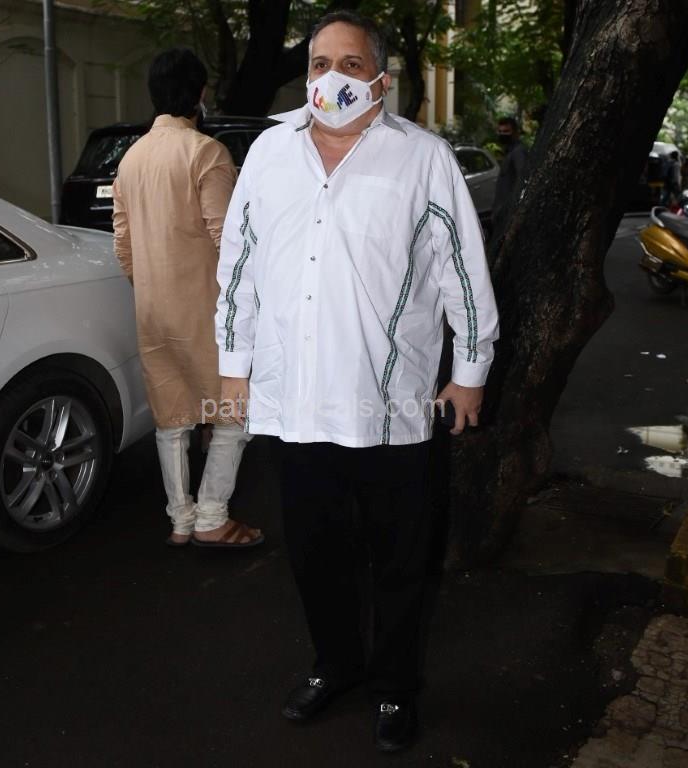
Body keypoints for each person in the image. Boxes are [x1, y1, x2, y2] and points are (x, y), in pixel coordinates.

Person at [215, 12, 498, 752]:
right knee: (315, 555)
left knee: (399, 561)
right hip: (295, 402)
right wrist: (234, 368)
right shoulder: (269, 153)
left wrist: (469, 374)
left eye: (349, 64)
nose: (331, 78)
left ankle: (395, 686)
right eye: (319, 63)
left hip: (389, 404)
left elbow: (461, 270)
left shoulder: (421, 158)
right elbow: (238, 267)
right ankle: (335, 664)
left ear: (380, 79)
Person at [113, 48, 263, 549]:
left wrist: (152, 286)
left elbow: (123, 245)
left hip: (152, 309)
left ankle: (180, 518)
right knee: (232, 411)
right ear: (199, 93)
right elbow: (228, 241)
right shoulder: (207, 153)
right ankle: (212, 516)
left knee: (171, 414)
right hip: (206, 310)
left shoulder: (130, 159)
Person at [491, 116, 528, 233]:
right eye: (500, 131)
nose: (502, 134)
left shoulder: (518, 152)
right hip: (502, 215)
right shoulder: (509, 153)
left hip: (508, 216)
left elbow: (521, 180)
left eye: (506, 131)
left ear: (515, 132)